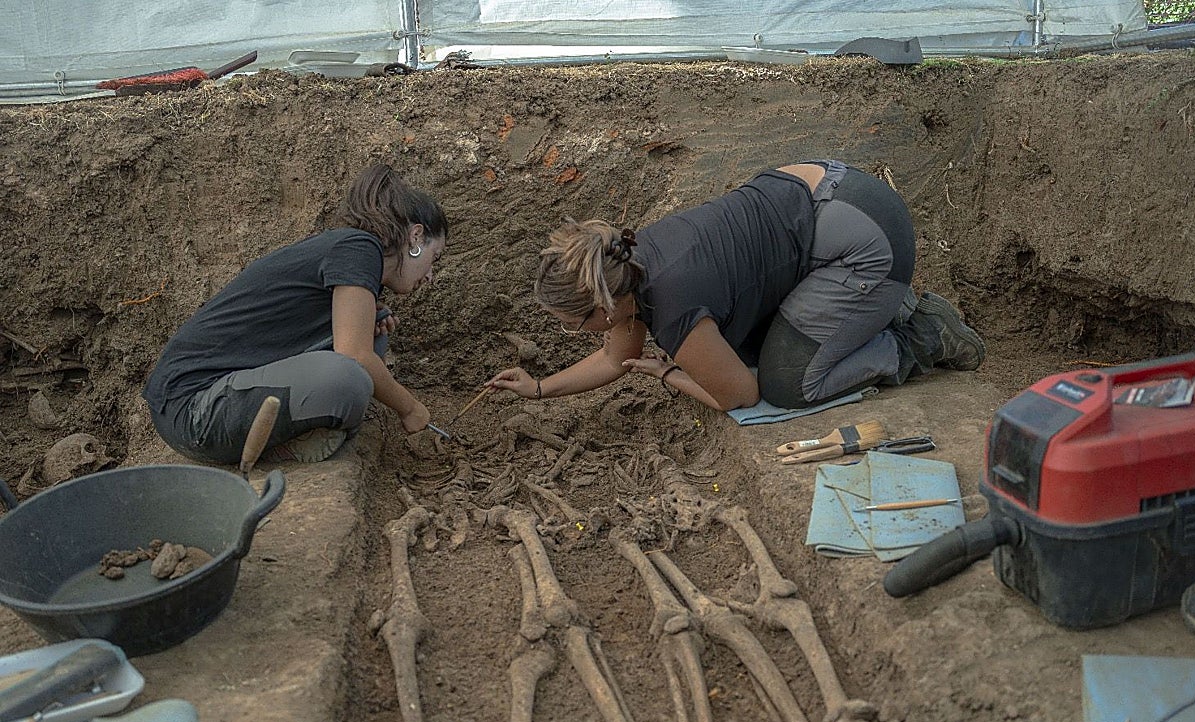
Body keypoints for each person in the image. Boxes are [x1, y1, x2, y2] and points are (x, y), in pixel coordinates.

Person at [486, 160, 983, 412]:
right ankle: (882, 308)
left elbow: (739, 396)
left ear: (602, 305)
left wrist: (670, 374)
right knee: (747, 345)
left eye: (576, 325)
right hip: (831, 192)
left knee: (788, 383)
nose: (579, 334)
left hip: (866, 242)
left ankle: (920, 337)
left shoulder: (671, 302)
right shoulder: (627, 263)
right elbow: (617, 358)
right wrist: (538, 389)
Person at [143, 163, 447, 464]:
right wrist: (409, 408)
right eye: (435, 257)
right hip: (194, 410)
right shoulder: (361, 249)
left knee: (373, 338)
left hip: (208, 407)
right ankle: (278, 449)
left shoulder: (352, 253)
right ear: (416, 237)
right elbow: (354, 355)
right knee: (349, 377)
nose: (431, 274)